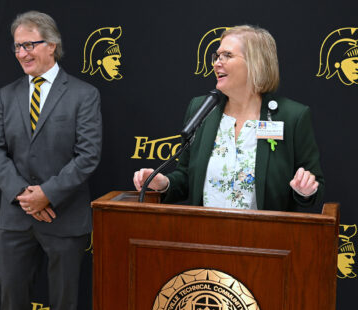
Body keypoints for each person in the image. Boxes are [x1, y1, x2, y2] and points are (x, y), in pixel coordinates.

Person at [134, 25, 324, 211]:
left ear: (255, 62)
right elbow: (185, 177)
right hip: (205, 235)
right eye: (217, 56)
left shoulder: (291, 117)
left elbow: (315, 187)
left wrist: (305, 190)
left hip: (266, 238)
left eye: (228, 55)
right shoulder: (202, 109)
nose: (217, 62)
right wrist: (164, 183)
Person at [0, 11, 102, 310]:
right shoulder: (5, 96)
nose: (22, 53)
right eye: (17, 47)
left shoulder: (84, 95)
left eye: (30, 45)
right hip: (16, 216)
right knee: (11, 301)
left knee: (65, 305)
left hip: (64, 216)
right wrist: (26, 195)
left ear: (51, 45)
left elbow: (88, 155)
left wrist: (47, 194)